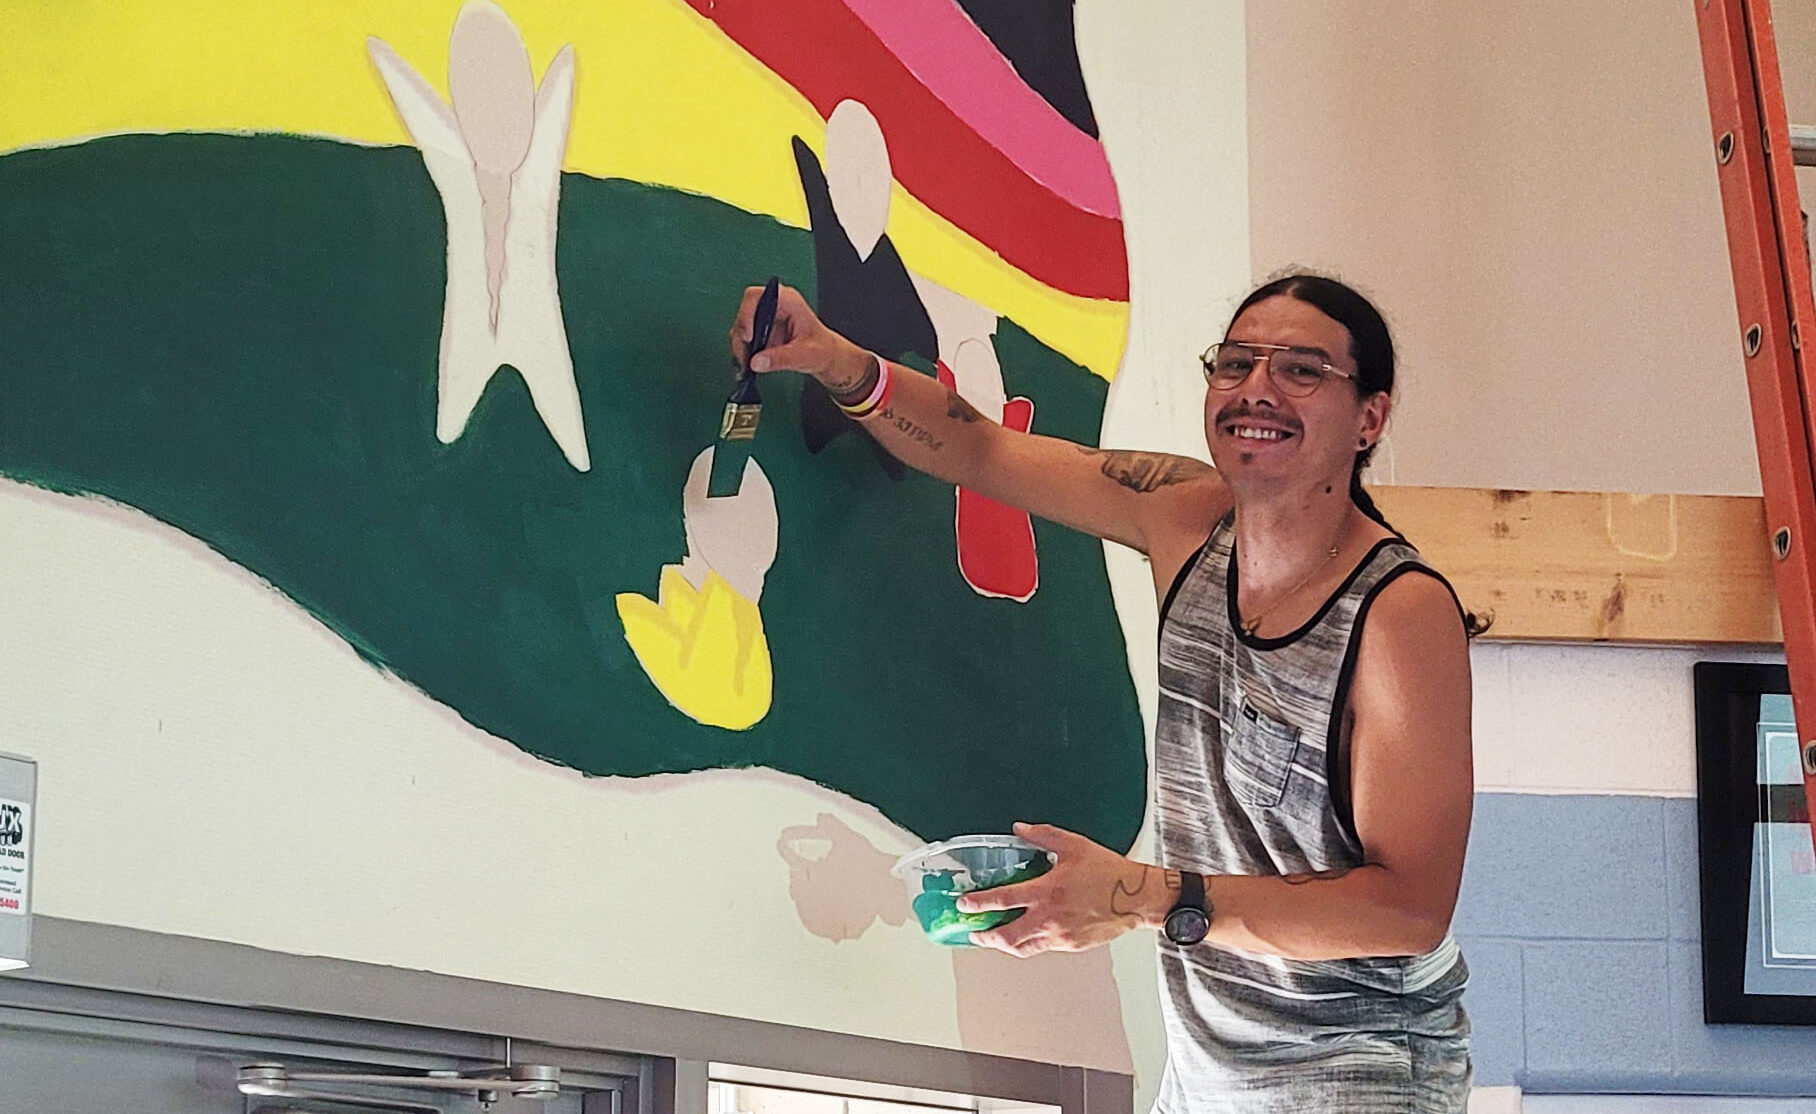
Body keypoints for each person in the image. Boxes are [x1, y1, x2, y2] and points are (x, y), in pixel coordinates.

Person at [729, 273, 1475, 1113]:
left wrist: (1141, 898)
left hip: (1361, 1072)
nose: (1255, 390)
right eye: (1235, 365)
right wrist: (834, 360)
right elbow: (980, 449)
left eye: (1302, 370)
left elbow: (1409, 911)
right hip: (1206, 1073)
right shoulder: (1185, 515)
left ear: (1369, 417)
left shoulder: (1400, 610)